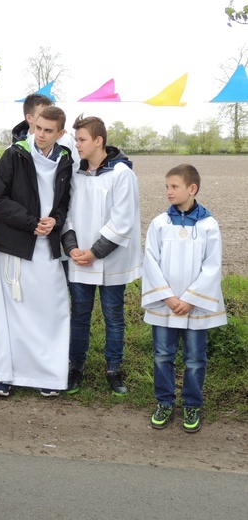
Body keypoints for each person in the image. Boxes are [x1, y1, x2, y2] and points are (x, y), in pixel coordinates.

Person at [0, 106, 73, 398]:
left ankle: (48, 375)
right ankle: (4, 375)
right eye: (39, 128)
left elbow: (64, 202)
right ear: (33, 124)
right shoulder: (15, 154)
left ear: (61, 133)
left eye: (49, 131)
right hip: (13, 244)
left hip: (47, 244)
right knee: (9, 312)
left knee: (50, 309)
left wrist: (55, 221)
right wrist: (31, 221)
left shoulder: (65, 159)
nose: (42, 135)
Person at [61, 115, 142, 396]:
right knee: (79, 316)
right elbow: (66, 213)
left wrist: (94, 253)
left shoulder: (122, 174)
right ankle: (76, 367)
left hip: (108, 259)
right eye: (75, 139)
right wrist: (72, 248)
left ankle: (114, 369)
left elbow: (123, 221)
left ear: (98, 141)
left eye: (81, 139)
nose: (76, 145)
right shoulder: (75, 173)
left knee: (114, 316)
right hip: (79, 258)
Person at [142, 164, 226, 433]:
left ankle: (192, 403)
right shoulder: (159, 223)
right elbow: (150, 261)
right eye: (166, 186)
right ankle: (164, 401)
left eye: (174, 186)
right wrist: (167, 297)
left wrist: (190, 299)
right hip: (166, 305)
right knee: (162, 356)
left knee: (194, 359)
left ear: (192, 189)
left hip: (195, 306)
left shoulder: (209, 225)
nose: (168, 191)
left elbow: (212, 266)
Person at [11, 93, 80, 170]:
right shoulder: (15, 150)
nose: (48, 117)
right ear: (29, 118)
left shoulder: (67, 141)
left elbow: (77, 170)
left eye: (51, 113)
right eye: (43, 114)